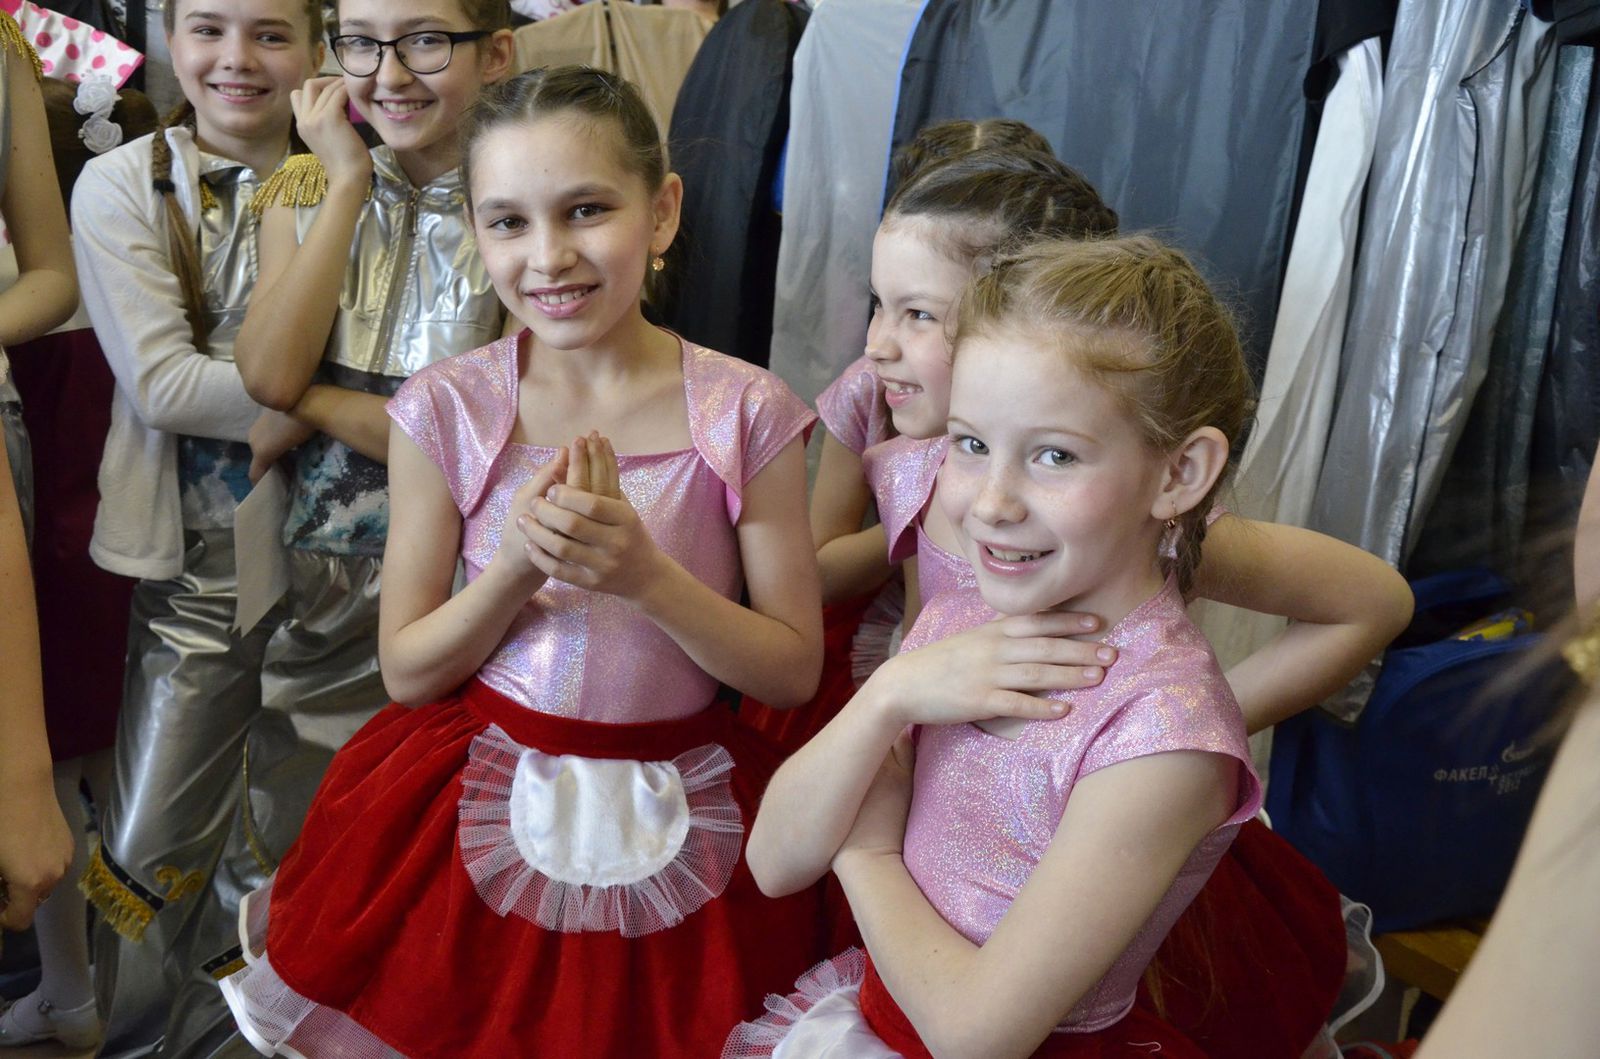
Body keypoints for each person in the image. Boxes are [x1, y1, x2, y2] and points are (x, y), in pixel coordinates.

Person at [220, 66, 827, 1059]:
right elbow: (409, 667)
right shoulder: (446, 407)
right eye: (508, 221)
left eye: (586, 209)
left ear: (661, 211)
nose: (549, 255)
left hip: (687, 814)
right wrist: (512, 569)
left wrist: (647, 579)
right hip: (468, 807)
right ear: (475, 227)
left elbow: (791, 669)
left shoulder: (747, 411)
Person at [729, 234, 1270, 1057]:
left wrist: (866, 852)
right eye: (971, 444)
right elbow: (773, 859)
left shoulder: (1163, 733)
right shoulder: (964, 620)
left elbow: (976, 1033)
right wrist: (890, 694)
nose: (990, 504)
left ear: (1179, 473)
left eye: (1054, 455)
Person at [67, 1, 326, 1051]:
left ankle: (245, 1043)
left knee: (288, 838)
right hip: (195, 565)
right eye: (209, 28)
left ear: (317, 46)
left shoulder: (355, 177)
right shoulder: (125, 182)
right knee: (150, 836)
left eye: (271, 33)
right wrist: (342, 403)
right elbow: (165, 384)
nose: (236, 59)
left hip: (344, 566)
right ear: (170, 39)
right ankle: (136, 1039)